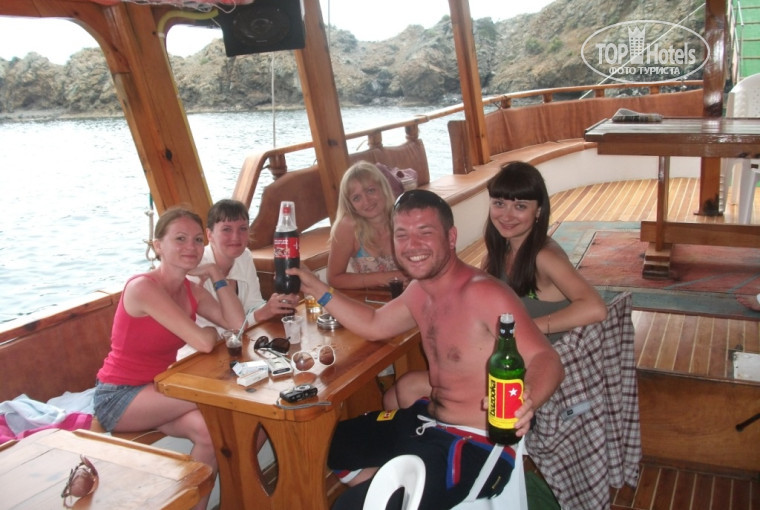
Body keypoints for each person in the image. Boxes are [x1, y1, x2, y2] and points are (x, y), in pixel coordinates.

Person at [289, 189, 564, 510]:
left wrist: (526, 400)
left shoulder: (485, 294)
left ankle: (394, 497)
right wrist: (317, 288)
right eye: (402, 235)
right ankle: (392, 490)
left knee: (348, 507)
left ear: (451, 237)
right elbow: (375, 323)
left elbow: (547, 358)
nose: (412, 245)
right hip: (428, 419)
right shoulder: (419, 291)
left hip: (477, 444)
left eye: (425, 232)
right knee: (331, 446)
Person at [93, 207, 246, 510]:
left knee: (209, 432)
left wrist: (216, 274)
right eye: (180, 238)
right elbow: (204, 342)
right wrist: (210, 333)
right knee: (220, 394)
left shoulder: (190, 290)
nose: (191, 246)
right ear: (158, 245)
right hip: (119, 396)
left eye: (197, 240)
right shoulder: (143, 288)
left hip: (159, 389)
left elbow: (237, 323)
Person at [482, 161, 607, 342]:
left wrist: (525, 329)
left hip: (552, 354)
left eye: (520, 206)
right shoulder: (495, 256)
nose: (506, 216)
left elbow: (596, 308)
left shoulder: (544, 257)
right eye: (499, 203)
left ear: (538, 211)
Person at [193, 199, 298, 333]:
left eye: (242, 228)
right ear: (209, 235)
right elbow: (220, 329)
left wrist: (275, 306)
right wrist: (260, 314)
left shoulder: (244, 256)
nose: (236, 237)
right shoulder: (196, 268)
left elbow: (253, 304)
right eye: (226, 229)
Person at [327, 161, 406, 290]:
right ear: (350, 205)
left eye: (370, 190)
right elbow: (334, 279)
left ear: (383, 188)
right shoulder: (348, 227)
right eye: (357, 198)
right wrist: (386, 278)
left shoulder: (405, 218)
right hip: (372, 299)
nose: (366, 201)